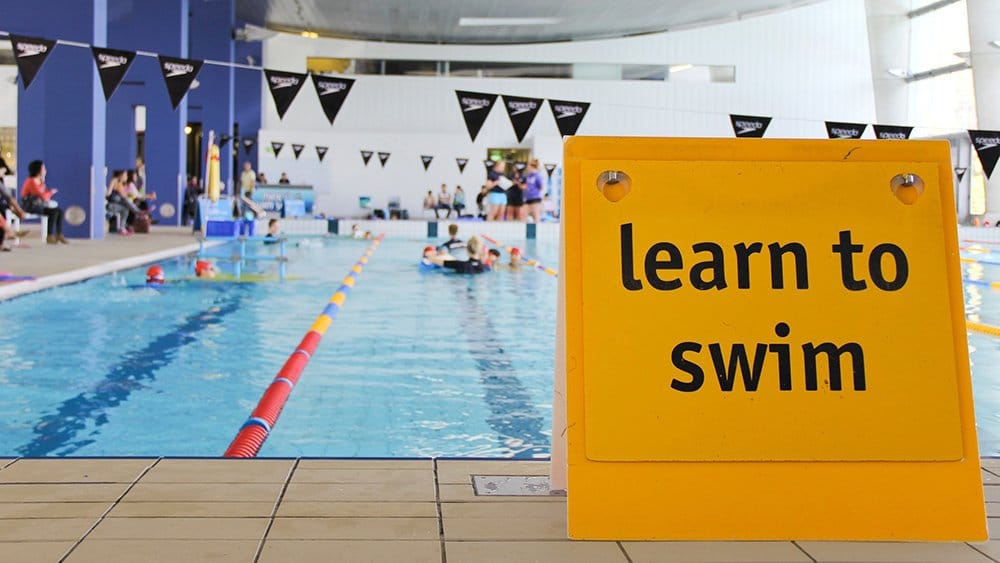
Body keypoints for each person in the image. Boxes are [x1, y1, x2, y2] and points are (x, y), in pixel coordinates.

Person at [20, 160, 67, 244]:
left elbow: (44, 195)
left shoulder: (41, 181)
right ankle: (50, 235)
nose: (45, 170)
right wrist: (51, 192)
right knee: (53, 212)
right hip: (30, 206)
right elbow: (42, 195)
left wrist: (46, 189)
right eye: (43, 168)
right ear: (38, 170)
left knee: (60, 211)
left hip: (39, 205)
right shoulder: (31, 181)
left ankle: (59, 234)